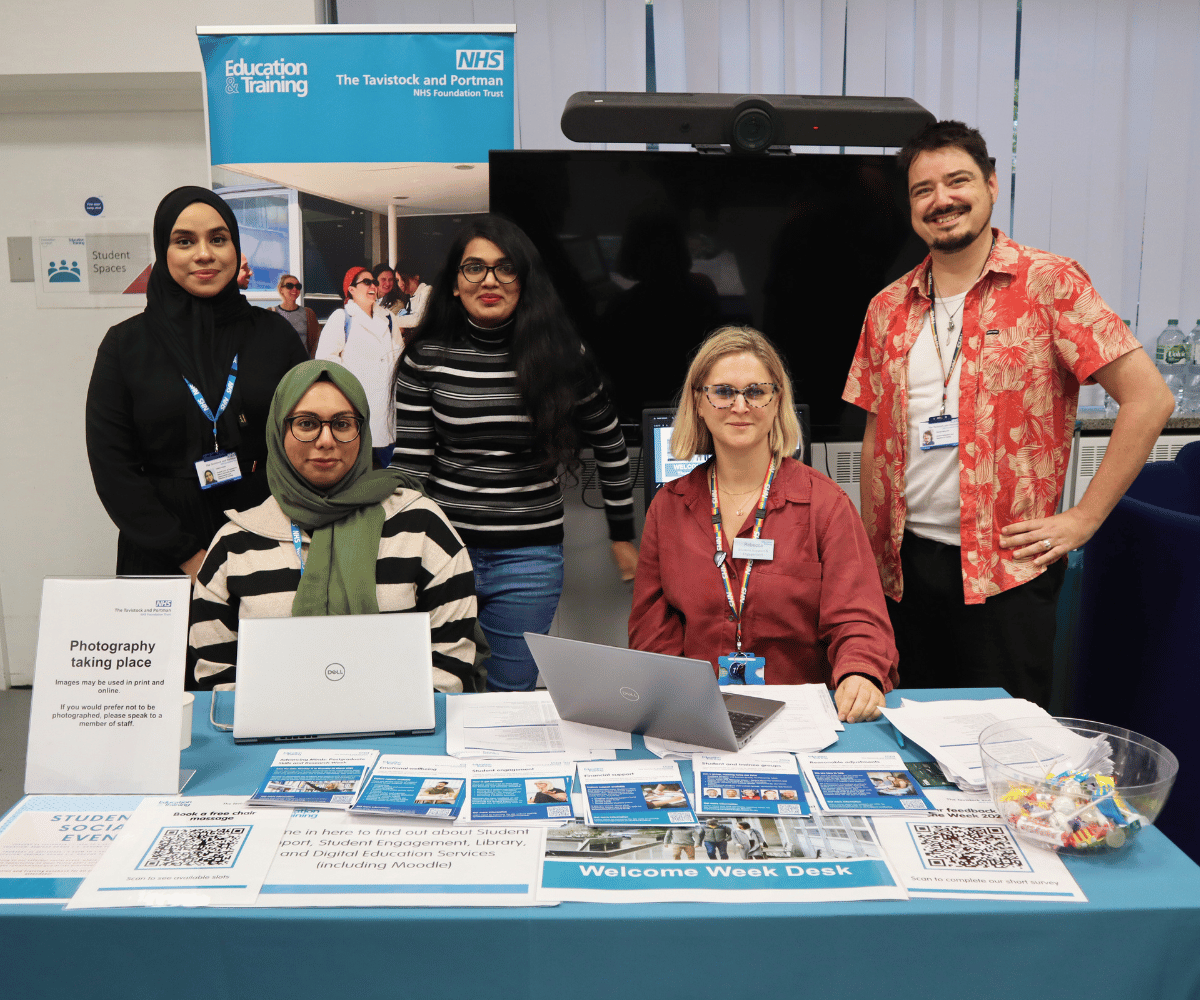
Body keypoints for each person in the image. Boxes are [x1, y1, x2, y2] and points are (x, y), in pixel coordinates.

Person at [842, 120, 1175, 706]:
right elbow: (876, 435)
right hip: (901, 576)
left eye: (958, 181)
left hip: (1005, 576)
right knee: (909, 747)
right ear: (911, 207)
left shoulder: (1051, 284)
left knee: (1004, 756)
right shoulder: (886, 307)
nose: (942, 200)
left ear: (992, 185)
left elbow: (1150, 399)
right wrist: (868, 558)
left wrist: (1084, 520)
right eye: (924, 190)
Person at [392, 215, 638, 692]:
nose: (489, 280)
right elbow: (412, 466)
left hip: (528, 557)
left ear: (525, 280)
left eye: (505, 268)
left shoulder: (563, 356)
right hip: (443, 552)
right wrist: (395, 547)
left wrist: (622, 535)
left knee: (512, 694)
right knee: (436, 692)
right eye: (474, 268)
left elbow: (610, 440)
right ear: (455, 282)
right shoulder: (427, 356)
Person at [629, 326, 898, 724]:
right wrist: (677, 701)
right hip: (699, 715)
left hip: (802, 715)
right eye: (723, 392)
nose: (740, 406)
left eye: (756, 392)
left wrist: (859, 673)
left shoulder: (826, 505)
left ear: (776, 403)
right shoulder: (669, 508)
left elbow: (859, 618)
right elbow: (653, 630)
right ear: (698, 403)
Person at [187, 361, 479, 692]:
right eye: (307, 423)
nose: (326, 440)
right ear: (278, 431)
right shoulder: (236, 542)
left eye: (342, 423)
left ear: (363, 430)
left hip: (398, 734)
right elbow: (216, 677)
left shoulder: (420, 525)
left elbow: (451, 664)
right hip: (272, 739)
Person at [86, 186, 308, 583]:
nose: (204, 254)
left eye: (218, 239)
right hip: (160, 546)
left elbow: (305, 435)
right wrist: (187, 555)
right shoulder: (126, 345)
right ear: (163, 250)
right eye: (184, 241)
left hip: (264, 528)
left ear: (235, 249)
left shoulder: (275, 336)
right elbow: (112, 468)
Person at [316, 266, 403, 468]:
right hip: (355, 405)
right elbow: (325, 360)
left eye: (374, 282)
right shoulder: (342, 317)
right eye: (366, 282)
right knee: (357, 465)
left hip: (387, 407)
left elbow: (399, 355)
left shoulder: (389, 318)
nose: (373, 286)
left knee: (387, 467)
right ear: (351, 289)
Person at [271, 273, 320, 357]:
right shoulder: (271, 313)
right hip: (280, 365)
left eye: (298, 286)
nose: (294, 289)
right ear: (281, 289)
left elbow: (317, 341)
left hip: (303, 364)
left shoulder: (308, 313)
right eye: (289, 286)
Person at [393, 256, 431, 339]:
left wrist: (390, 320)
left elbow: (417, 320)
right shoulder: (410, 299)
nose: (400, 284)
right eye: (397, 280)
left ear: (416, 276)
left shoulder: (427, 291)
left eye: (403, 278)